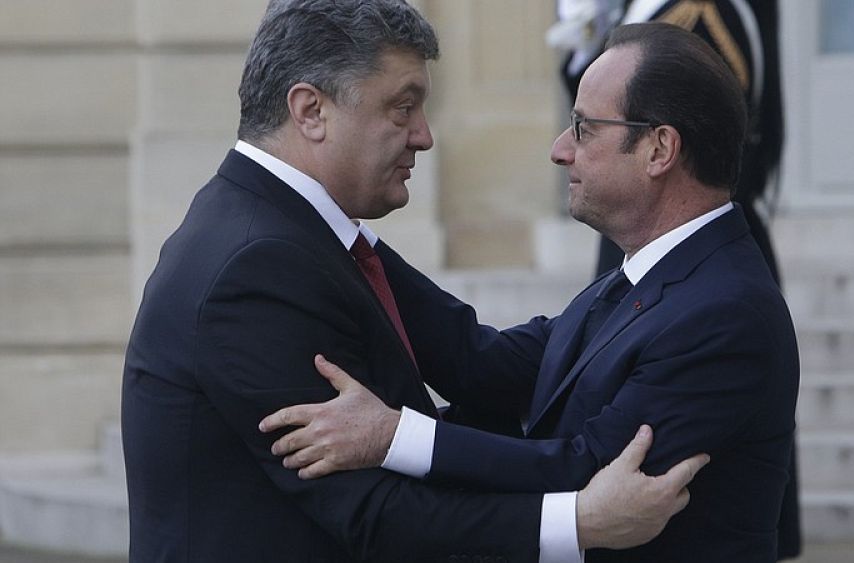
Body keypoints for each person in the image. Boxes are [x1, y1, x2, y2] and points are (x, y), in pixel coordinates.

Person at [121, 2, 709, 562]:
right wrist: (577, 520)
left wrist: (674, 310)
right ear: (310, 111)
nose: (424, 135)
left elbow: (476, 360)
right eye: (402, 108)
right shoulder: (259, 265)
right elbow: (370, 512)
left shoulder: (294, 231)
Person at [262, 22, 799, 563]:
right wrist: (342, 235)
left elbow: (589, 473)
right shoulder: (647, 276)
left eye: (584, 128)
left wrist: (392, 437)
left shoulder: (725, 312)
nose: (560, 150)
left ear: (659, 149)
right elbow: (485, 365)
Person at [555, 1, 800, 556]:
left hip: (683, 240)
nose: (562, 150)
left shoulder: (697, 12)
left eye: (580, 130)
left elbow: (696, 140)